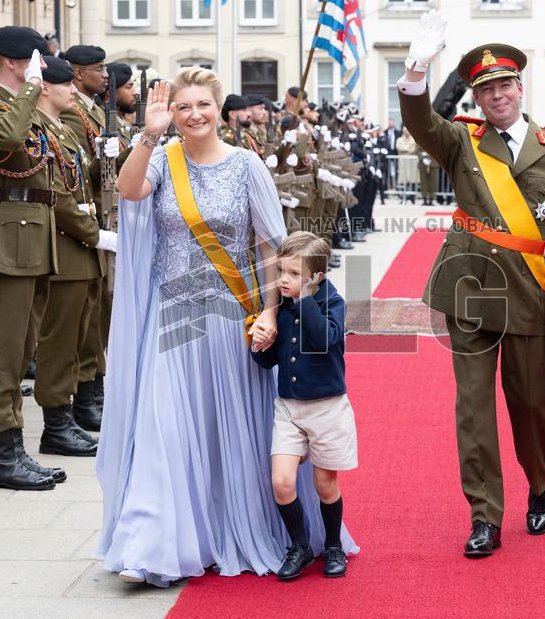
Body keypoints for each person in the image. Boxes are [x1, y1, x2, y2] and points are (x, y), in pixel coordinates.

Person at [97, 67, 356, 586]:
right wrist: (148, 133)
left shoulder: (247, 166)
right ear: (173, 113)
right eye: (183, 106)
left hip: (233, 318)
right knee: (164, 429)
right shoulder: (164, 161)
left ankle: (252, 528)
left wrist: (269, 311)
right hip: (173, 317)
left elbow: (271, 247)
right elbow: (128, 192)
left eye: (203, 105)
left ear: (219, 110)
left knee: (229, 430)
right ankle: (155, 543)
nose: (194, 114)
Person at [399, 10, 545, 556]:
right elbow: (421, 123)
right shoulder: (462, 142)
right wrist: (417, 69)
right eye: (484, 89)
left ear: (520, 86)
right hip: (470, 287)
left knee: (533, 403)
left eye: (504, 85)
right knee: (473, 406)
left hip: (533, 292)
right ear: (476, 98)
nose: (496, 96)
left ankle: (539, 486)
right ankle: (485, 514)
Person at [0, 26, 70, 490]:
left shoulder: (25, 108)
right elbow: (6, 140)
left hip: (33, 240)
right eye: (36, 59)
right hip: (10, 243)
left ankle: (15, 448)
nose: (44, 67)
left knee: (21, 351)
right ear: (13, 62)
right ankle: (0, 456)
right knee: (3, 354)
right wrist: (31, 88)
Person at [250, 231, 357, 581]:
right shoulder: (278, 307)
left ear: (316, 278)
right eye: (282, 271)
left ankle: (332, 545)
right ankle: (298, 545)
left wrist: (307, 298)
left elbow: (323, 340)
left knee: (326, 485)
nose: (284, 280)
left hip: (327, 408)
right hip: (289, 408)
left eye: (294, 274)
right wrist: (260, 345)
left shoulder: (333, 303)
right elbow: (269, 364)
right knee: (282, 482)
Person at [29, 55, 112, 457]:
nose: (72, 93)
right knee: (61, 342)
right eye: (66, 86)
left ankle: (70, 415)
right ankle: (55, 425)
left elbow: (81, 182)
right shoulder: (41, 132)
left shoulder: (61, 131)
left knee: (80, 335)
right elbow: (57, 198)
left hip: (81, 248)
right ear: (47, 87)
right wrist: (95, 235)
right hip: (66, 246)